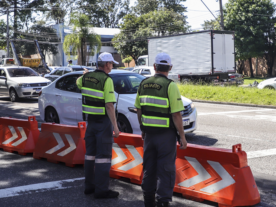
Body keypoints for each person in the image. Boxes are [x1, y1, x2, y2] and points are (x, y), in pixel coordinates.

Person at [134, 53, 188, 207]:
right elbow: (176, 114)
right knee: (165, 170)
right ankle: (163, 202)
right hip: (166, 136)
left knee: (149, 168)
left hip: (149, 135)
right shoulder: (170, 85)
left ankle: (148, 202)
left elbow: (139, 109)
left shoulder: (143, 83)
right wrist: (183, 137)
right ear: (170, 68)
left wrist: (143, 128)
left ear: (154, 67)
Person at [76, 52, 120, 199]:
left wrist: (85, 74)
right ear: (106, 64)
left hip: (91, 123)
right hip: (103, 124)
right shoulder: (107, 80)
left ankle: (89, 187)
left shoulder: (85, 78)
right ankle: (101, 190)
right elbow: (109, 105)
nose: (112, 66)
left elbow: (78, 82)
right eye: (111, 63)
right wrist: (115, 125)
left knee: (90, 156)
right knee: (103, 157)